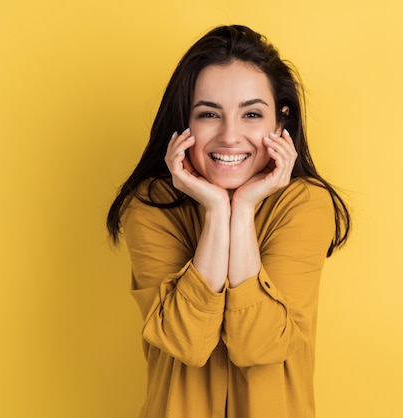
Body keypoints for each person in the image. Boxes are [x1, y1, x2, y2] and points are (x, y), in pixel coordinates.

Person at [106, 24, 350, 418]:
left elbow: (260, 346)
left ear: (280, 123)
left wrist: (245, 210)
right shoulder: (150, 205)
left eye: (252, 113)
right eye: (208, 114)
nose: (231, 136)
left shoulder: (305, 204)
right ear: (184, 124)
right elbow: (186, 342)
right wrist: (218, 211)